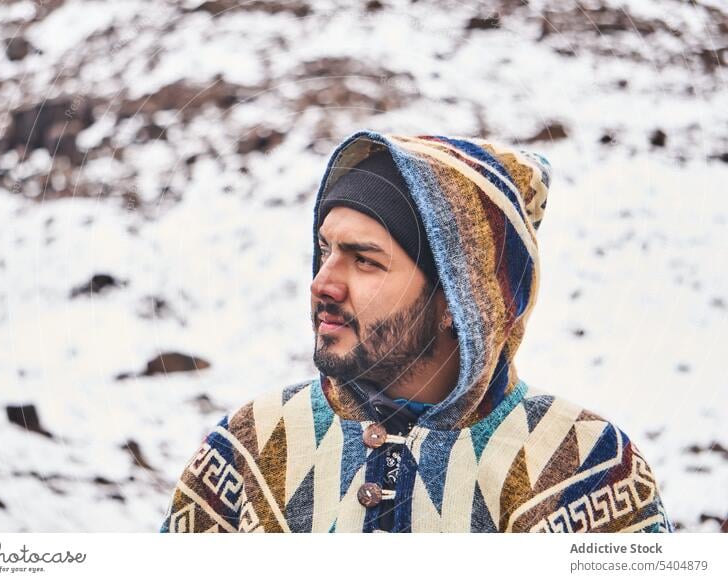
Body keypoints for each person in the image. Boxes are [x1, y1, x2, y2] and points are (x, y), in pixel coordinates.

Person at [160, 130, 673, 533]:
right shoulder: (249, 450)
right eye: (325, 250)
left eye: (364, 261)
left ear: (458, 301)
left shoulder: (581, 466)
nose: (323, 284)